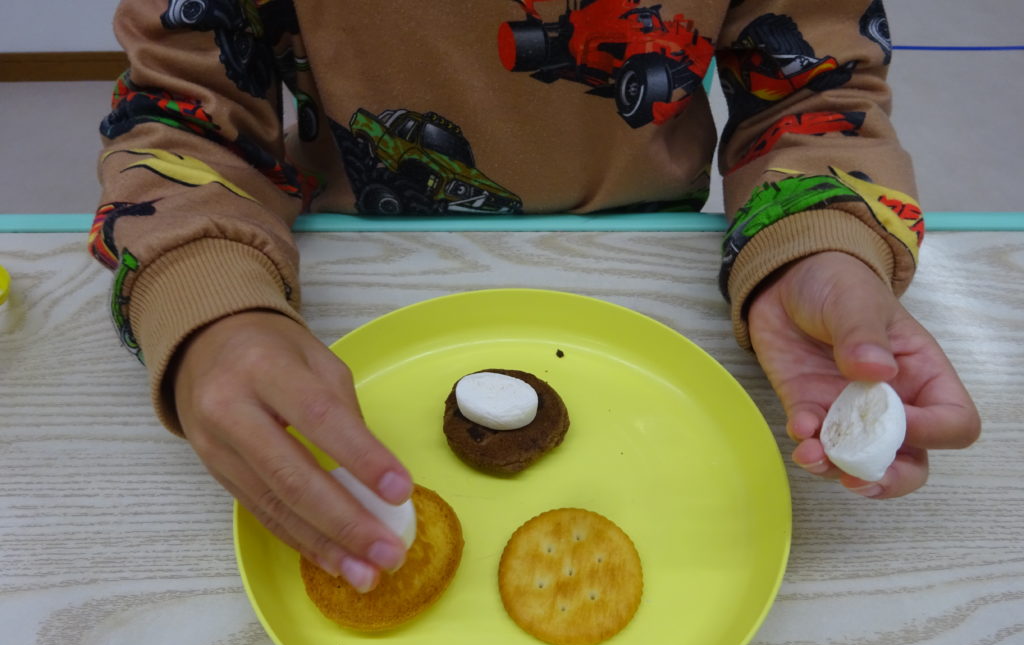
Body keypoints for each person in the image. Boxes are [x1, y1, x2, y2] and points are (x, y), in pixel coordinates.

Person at [89, 0, 980, 593]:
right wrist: (204, 297)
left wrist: (809, 242)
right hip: (348, 262)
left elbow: (816, 90)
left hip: (654, 266)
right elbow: (180, 111)